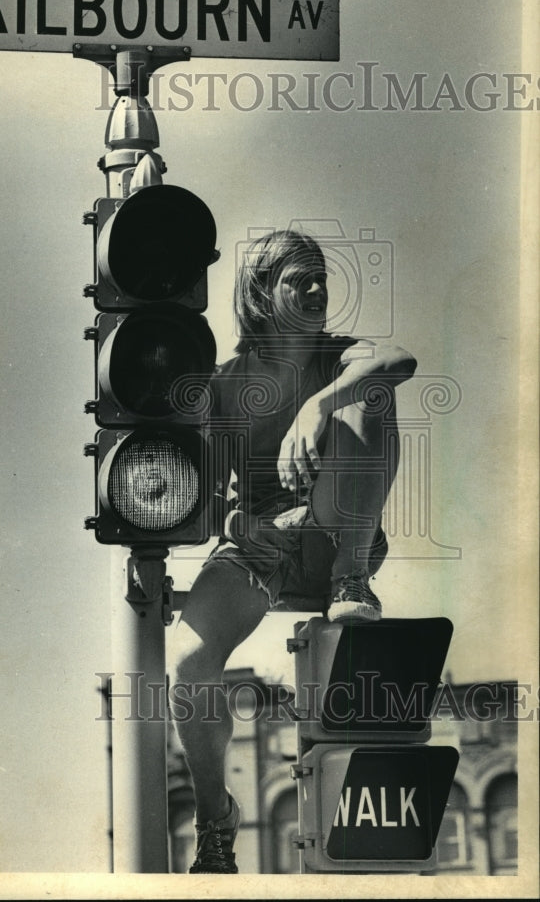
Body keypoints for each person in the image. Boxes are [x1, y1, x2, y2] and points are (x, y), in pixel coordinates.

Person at [170, 228, 417, 874]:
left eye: (320, 278)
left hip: (337, 530)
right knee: (186, 664)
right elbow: (208, 492)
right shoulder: (228, 380)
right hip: (262, 549)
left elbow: (399, 361)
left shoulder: (341, 356)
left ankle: (352, 579)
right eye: (296, 279)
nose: (314, 289)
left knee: (372, 395)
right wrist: (233, 519)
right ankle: (214, 820)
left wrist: (318, 403)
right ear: (261, 292)